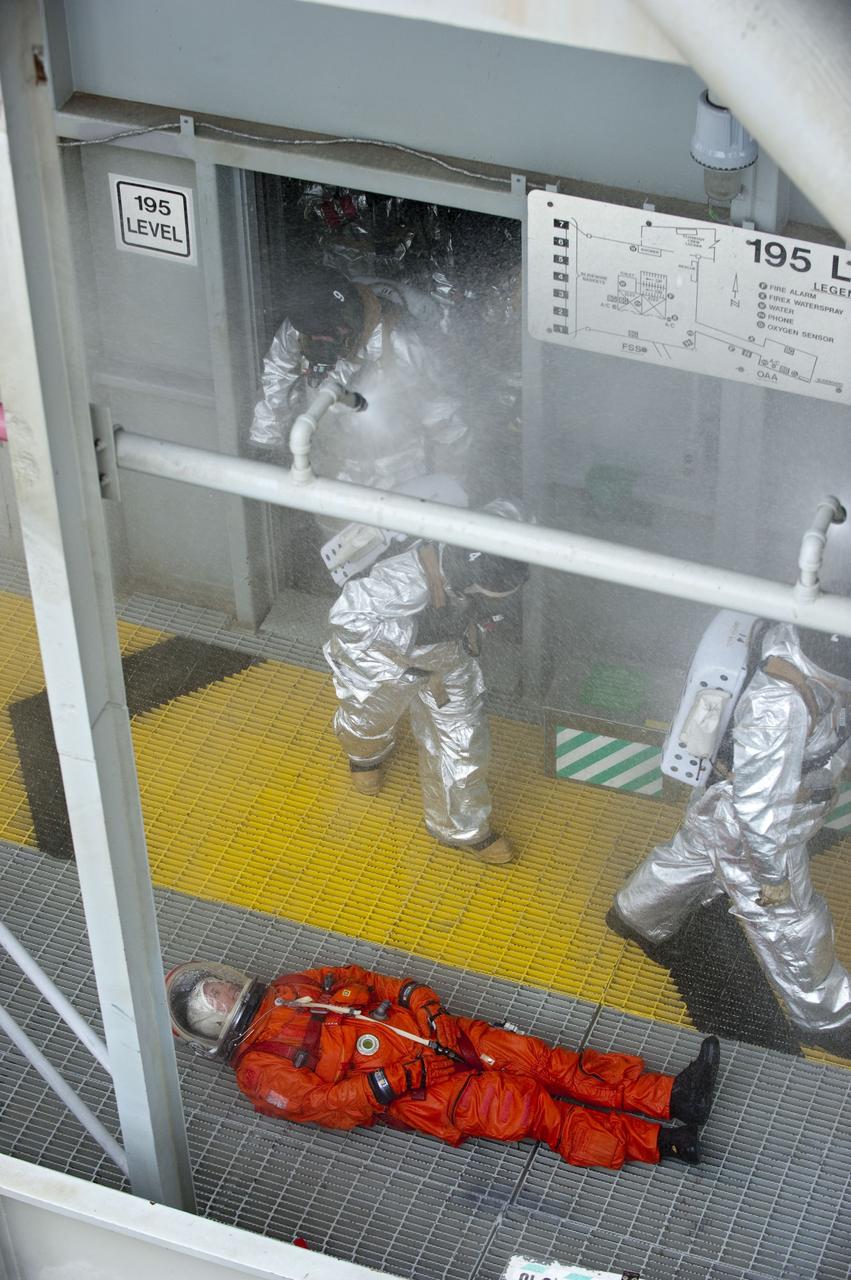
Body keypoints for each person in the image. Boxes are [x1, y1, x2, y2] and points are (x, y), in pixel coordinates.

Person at [166, 959, 722, 1170]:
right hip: (421, 1095)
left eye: (215, 983)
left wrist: (422, 1001)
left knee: (546, 1061)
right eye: (210, 998)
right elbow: (324, 1105)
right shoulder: (259, 1071)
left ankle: (672, 1096)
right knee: (533, 1109)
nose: (220, 990)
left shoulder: (292, 987)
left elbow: (370, 980)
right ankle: (662, 1143)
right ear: (209, 1023)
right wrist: (401, 1077)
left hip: (441, 1036)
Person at [608, 622, 851, 1056]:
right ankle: (823, 1017)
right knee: (793, 922)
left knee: (694, 857)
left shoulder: (795, 639)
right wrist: (773, 877)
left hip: (729, 808)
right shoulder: (780, 705)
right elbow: (758, 807)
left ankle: (636, 913)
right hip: (753, 829)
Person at [323, 501, 528, 865]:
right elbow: (347, 619)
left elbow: (509, 510)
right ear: (468, 579)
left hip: (449, 660)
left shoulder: (493, 542)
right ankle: (364, 756)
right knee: (368, 716)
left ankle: (461, 828)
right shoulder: (403, 580)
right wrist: (413, 640)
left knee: (464, 741)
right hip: (384, 660)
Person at [249, 266, 469, 494]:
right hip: (330, 462)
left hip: (398, 467)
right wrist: (265, 442)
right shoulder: (299, 330)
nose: (318, 341)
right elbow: (277, 376)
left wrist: (453, 483)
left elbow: (440, 411)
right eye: (312, 335)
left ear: (349, 318)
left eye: (325, 333)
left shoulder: (398, 342)